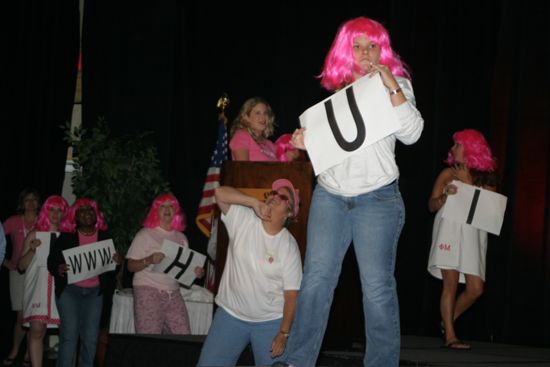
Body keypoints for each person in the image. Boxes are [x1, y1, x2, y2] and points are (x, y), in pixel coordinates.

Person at [274, 16, 424, 367]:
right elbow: (335, 147)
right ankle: (297, 360)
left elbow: (413, 134)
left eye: (372, 45)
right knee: (315, 282)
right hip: (330, 197)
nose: (364, 52)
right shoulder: (337, 94)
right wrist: (305, 143)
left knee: (377, 289)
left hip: (378, 201)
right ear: (345, 50)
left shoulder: (396, 84)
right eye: (357, 45)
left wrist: (389, 83)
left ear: (382, 49)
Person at [197, 179, 303, 367]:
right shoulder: (244, 218)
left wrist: (283, 333)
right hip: (231, 315)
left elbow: (292, 296)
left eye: (283, 196)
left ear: (289, 213)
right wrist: (253, 202)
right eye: (274, 193)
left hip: (270, 321)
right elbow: (220, 192)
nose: (275, 197)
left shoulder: (288, 245)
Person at [427, 129, 498, 350]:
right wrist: (444, 197)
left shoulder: (487, 178)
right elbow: (431, 205)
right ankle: (450, 335)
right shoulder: (447, 174)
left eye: (457, 145)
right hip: (449, 227)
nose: (452, 148)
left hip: (473, 232)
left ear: (471, 149)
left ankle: (446, 321)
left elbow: (491, 211)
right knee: (450, 284)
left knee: (475, 288)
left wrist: (468, 183)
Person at [47, 198, 119, 367]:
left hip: (94, 294)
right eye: (82, 210)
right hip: (70, 292)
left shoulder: (105, 237)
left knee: (91, 338)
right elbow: (52, 262)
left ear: (96, 215)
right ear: (75, 217)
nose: (87, 213)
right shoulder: (66, 238)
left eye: (90, 210)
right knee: (69, 336)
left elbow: (111, 270)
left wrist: (117, 262)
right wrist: (59, 268)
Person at [126, 193, 204, 334]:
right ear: (155, 210)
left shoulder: (182, 238)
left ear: (176, 211)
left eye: (171, 206)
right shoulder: (145, 234)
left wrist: (195, 272)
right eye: (162, 206)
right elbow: (130, 266)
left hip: (173, 292)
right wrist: (148, 260)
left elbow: (184, 272)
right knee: (150, 339)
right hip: (148, 291)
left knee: (184, 336)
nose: (167, 209)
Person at [18, 195, 69, 367]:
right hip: (37, 288)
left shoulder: (68, 237)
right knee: (37, 331)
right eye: (51, 209)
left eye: (59, 210)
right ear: (45, 211)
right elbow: (21, 266)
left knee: (67, 332)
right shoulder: (34, 233)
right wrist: (32, 250)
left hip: (60, 289)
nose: (55, 214)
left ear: (64, 213)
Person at [2, 188, 40, 366]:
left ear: (38, 203)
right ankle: (15, 349)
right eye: (27, 200)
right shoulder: (13, 221)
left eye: (34, 199)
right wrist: (4, 261)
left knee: (35, 316)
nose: (31, 203)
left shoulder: (44, 222)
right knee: (21, 317)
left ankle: (28, 353)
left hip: (38, 273)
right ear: (22, 203)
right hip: (17, 272)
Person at [230, 97, 299, 162]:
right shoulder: (241, 136)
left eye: (265, 113)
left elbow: (280, 166)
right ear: (246, 117)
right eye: (257, 113)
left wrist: (293, 153)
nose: (263, 117)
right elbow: (242, 169)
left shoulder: (269, 144)